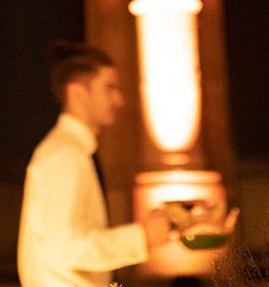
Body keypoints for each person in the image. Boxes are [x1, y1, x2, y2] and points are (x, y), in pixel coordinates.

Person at [17, 42, 172, 287]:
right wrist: (141, 237)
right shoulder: (65, 155)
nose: (119, 100)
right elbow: (67, 249)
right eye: (109, 88)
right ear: (77, 93)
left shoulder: (70, 151)